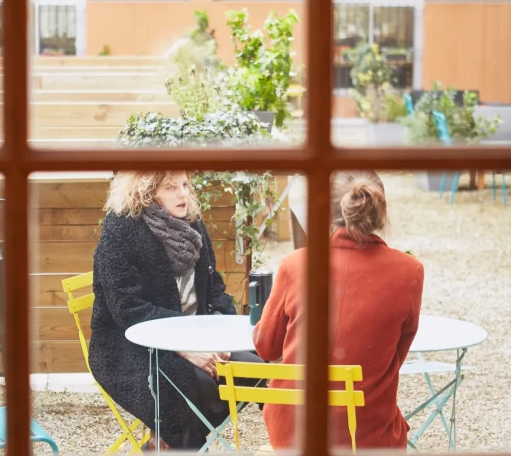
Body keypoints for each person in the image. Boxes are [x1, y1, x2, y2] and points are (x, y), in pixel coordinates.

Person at [89, 170, 262, 451]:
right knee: (199, 387)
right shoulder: (120, 230)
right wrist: (184, 346)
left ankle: (166, 442)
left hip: (200, 336)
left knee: (257, 370)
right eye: (171, 188)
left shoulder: (192, 223)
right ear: (147, 192)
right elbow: (127, 309)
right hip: (134, 346)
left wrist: (220, 334)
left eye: (184, 185)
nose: (183, 194)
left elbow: (215, 288)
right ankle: (177, 443)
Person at [253, 171, 424, 451]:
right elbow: (396, 354)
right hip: (367, 433)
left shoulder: (295, 265)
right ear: (379, 208)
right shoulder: (410, 271)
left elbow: (266, 348)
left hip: (294, 431)